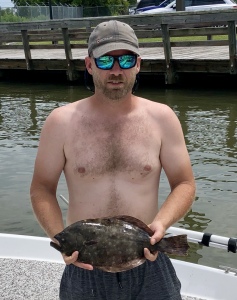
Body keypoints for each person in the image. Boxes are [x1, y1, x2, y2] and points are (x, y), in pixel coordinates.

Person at [30, 20, 196, 300]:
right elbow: (41, 188)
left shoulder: (163, 118)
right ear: (90, 64)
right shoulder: (60, 122)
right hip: (84, 264)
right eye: (106, 60)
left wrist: (162, 225)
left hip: (149, 260)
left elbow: (184, 183)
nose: (116, 70)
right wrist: (61, 240)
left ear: (138, 64)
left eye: (126, 60)